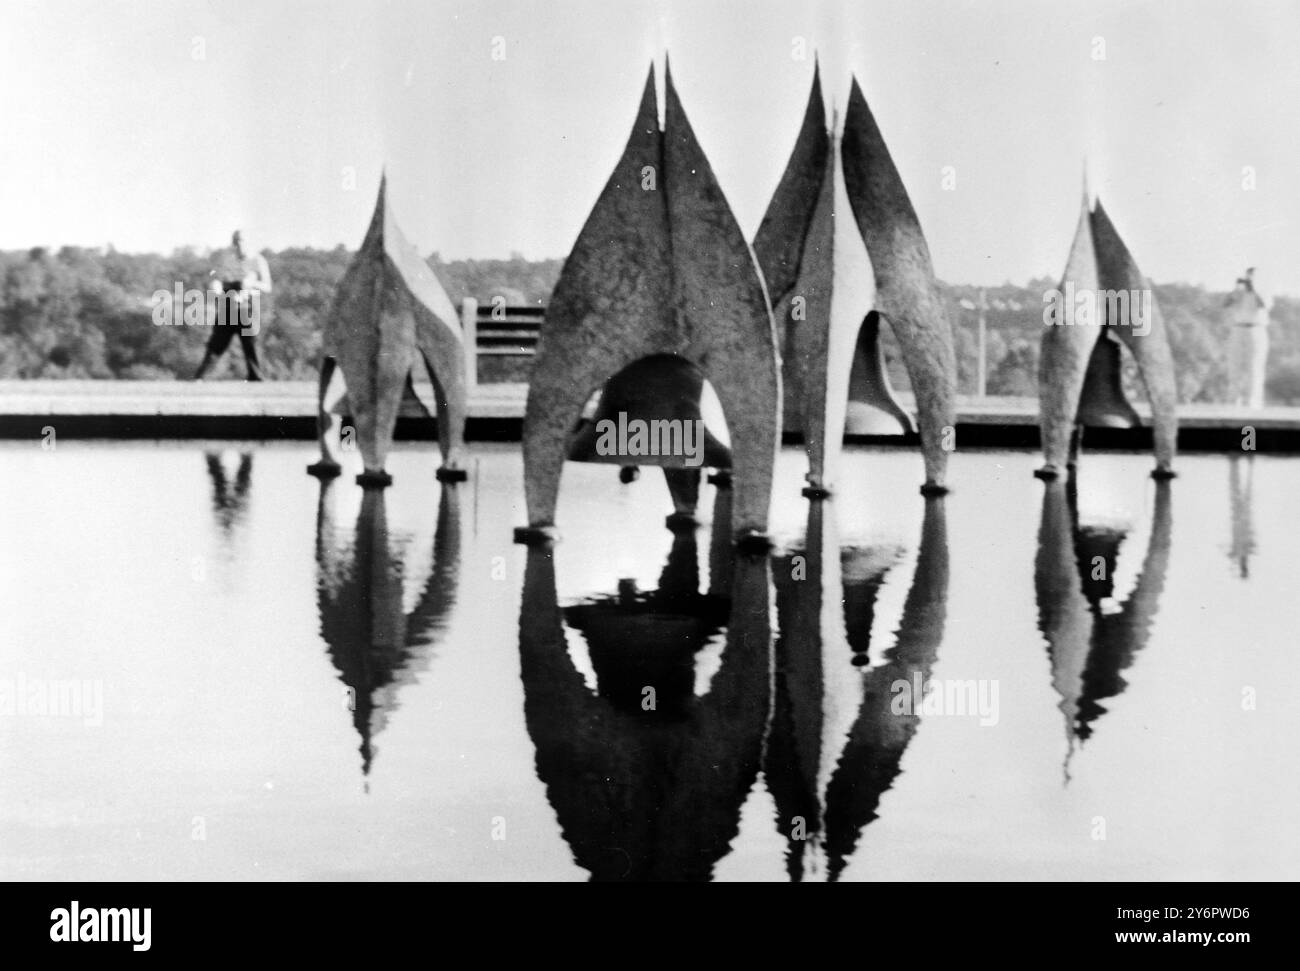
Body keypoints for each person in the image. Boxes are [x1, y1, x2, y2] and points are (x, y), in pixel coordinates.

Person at [194, 230, 272, 380]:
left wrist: (250, 283)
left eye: (241, 240)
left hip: (248, 305)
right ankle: (199, 378)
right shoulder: (226, 260)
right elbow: (216, 279)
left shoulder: (258, 260)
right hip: (227, 304)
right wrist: (216, 286)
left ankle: (256, 379)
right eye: (236, 241)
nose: (239, 244)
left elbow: (268, 286)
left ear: (248, 242)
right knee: (216, 344)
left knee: (251, 346)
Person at [1224, 267, 1269, 408]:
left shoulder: (1264, 291)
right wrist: (1236, 287)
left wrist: (1254, 288)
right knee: (1234, 366)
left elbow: (1264, 305)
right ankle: (1233, 401)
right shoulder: (1239, 292)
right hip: (1238, 328)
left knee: (1254, 367)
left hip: (1256, 329)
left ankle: (1253, 402)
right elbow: (1225, 303)